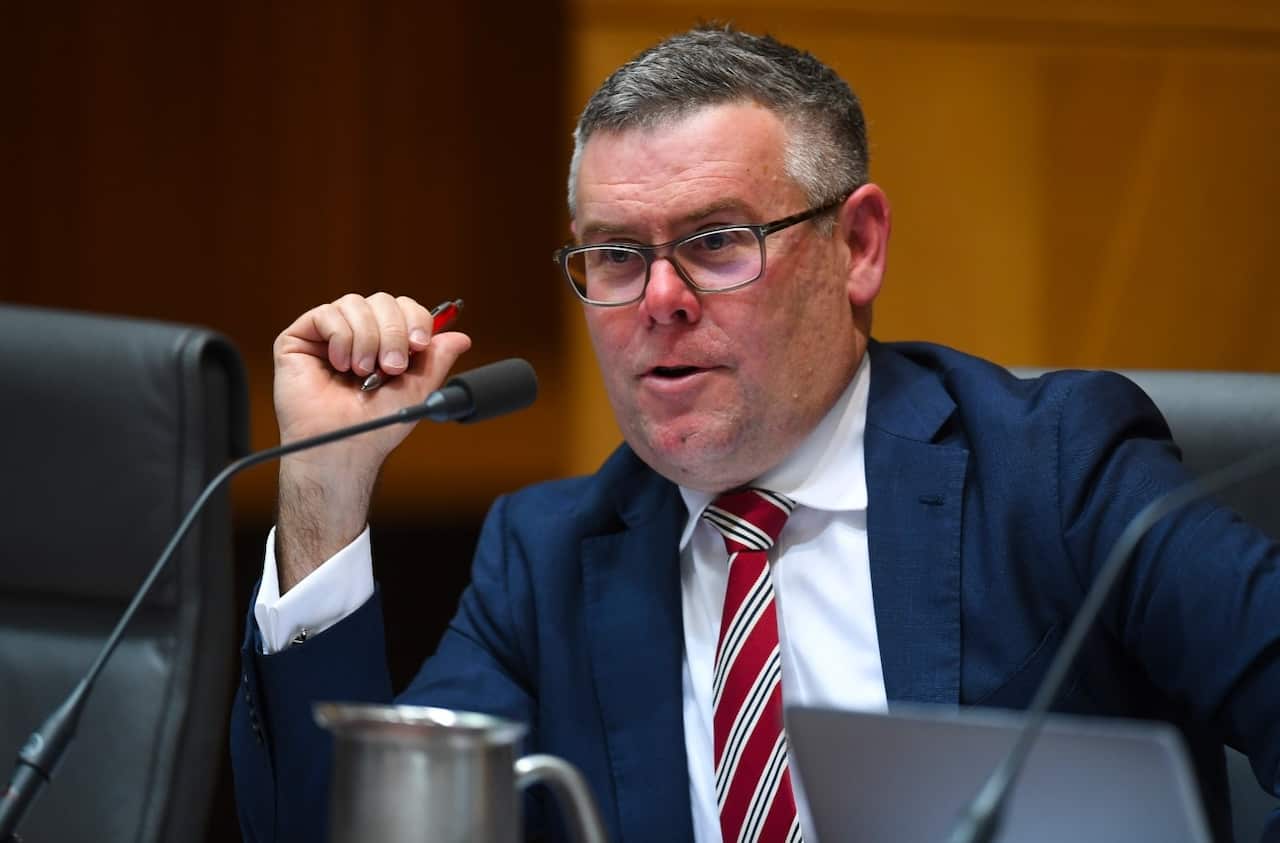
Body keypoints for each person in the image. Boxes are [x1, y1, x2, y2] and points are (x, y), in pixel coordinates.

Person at [230, 25, 1280, 843]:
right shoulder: (543, 559)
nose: (659, 300)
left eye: (716, 242)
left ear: (856, 246)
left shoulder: (1050, 471)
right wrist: (326, 488)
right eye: (611, 256)